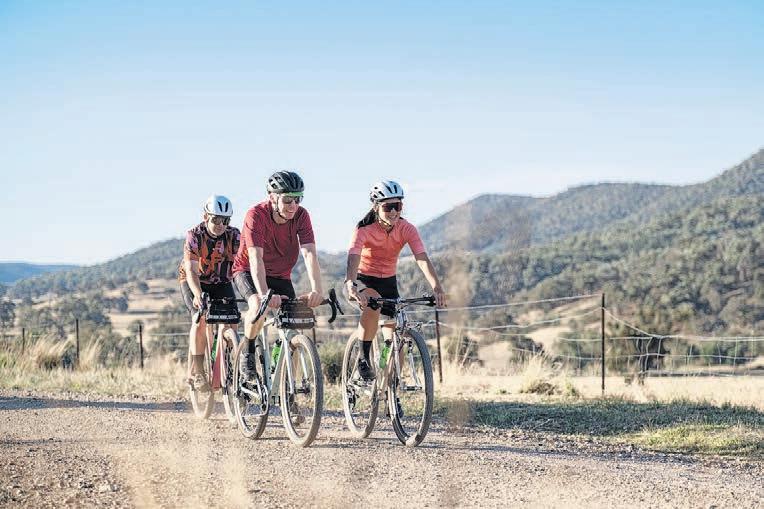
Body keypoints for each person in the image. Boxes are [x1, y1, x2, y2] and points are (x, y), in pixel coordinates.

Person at [344, 180, 447, 380]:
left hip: (389, 282)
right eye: (388, 207)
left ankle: (390, 387)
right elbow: (353, 256)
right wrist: (351, 283)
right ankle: (363, 358)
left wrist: (437, 287)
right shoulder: (364, 229)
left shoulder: (407, 228)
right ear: (376, 207)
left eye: (397, 206)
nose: (393, 212)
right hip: (363, 280)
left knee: (395, 340)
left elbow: (421, 258)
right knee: (373, 304)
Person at [232, 171, 324, 377]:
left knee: (293, 326)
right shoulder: (256, 215)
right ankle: (248, 351)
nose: (293, 205)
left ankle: (288, 387)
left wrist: (317, 290)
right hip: (248, 270)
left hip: (280, 275)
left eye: (298, 199)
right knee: (258, 305)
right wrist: (265, 294)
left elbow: (309, 253)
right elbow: (255, 258)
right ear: (273, 197)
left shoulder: (301, 216)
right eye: (288, 200)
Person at [178, 195, 240, 390]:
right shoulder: (194, 235)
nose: (221, 225)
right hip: (195, 280)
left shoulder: (234, 236)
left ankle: (226, 364)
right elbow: (191, 271)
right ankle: (197, 372)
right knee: (201, 318)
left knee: (232, 319)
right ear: (206, 217)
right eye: (216, 219)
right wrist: (197, 295)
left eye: (225, 220)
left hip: (220, 281)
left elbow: (244, 263)